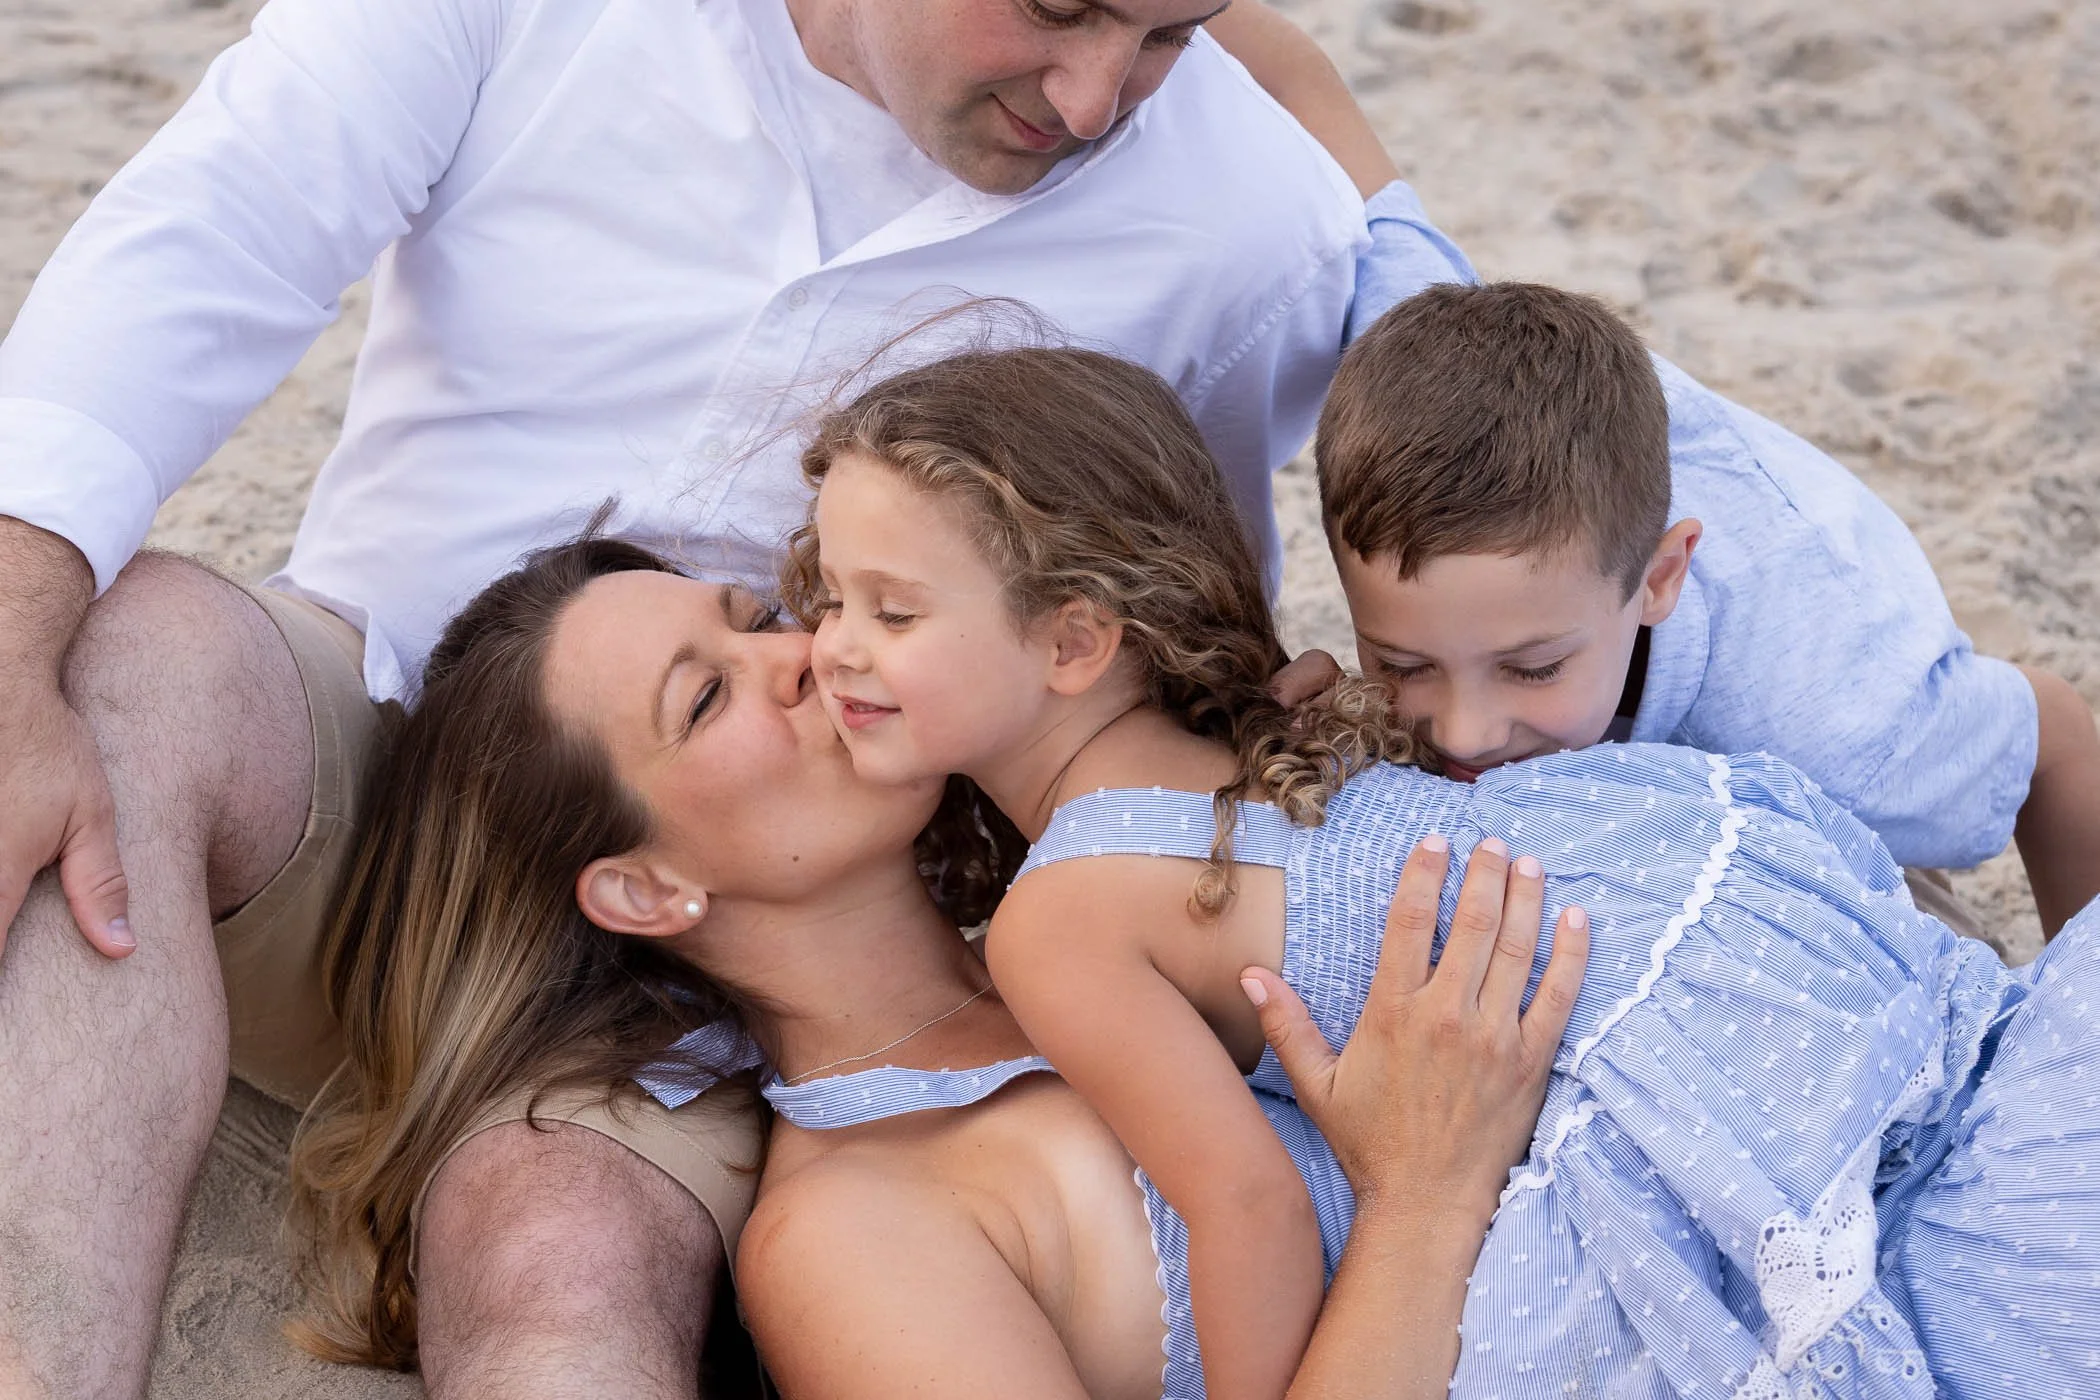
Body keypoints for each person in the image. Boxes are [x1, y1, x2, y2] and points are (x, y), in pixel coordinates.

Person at [0, 0, 1409, 1389]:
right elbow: (205, 236)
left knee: (558, 1257)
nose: (1096, 97)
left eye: (1169, 33)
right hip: (370, 780)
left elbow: (1197, 580)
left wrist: (1263, 722)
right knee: (129, 651)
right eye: (1057, 8)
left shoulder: (1243, 219)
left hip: (750, 961)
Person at [791, 344, 2100, 1395]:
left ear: (1075, 641)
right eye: (825, 595)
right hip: (1679, 890)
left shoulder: (1056, 922)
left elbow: (1244, 1200)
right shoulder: (1257, 720)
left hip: (1608, 1017)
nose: (832, 646)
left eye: (891, 610)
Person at [287, 528, 1586, 1397]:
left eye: (760, 620)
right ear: (645, 887)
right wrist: (1421, 1204)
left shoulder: (1100, 888)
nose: (800, 656)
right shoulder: (848, 1236)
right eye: (707, 695)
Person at [1312, 281, 2100, 939]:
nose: (1464, 733)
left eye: (1534, 668)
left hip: (1825, 684)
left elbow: (2053, 738)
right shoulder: (1391, 385)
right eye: (1403, 664)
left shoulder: (1838, 734)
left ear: (1659, 579)